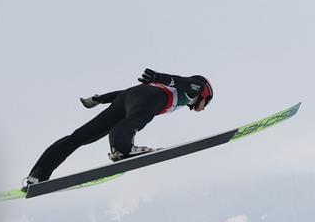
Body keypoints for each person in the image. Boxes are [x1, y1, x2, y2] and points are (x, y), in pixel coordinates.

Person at [25, 68, 214, 186]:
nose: (203, 108)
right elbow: (180, 80)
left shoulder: (182, 96)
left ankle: (38, 175)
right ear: (206, 95)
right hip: (148, 98)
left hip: (128, 98)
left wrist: (99, 99)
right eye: (207, 104)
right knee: (133, 122)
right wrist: (159, 76)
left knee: (79, 137)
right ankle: (122, 149)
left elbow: (126, 93)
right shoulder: (196, 87)